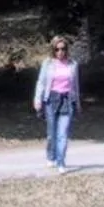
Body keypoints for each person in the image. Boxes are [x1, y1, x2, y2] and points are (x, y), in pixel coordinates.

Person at [32, 35, 81, 171]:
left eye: (63, 49)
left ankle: (61, 162)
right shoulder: (48, 64)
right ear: (53, 50)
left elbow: (75, 85)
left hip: (67, 100)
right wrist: (37, 100)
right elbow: (41, 83)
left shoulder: (73, 64)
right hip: (51, 99)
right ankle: (50, 156)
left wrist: (78, 103)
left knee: (63, 133)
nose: (60, 52)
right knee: (51, 134)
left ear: (67, 50)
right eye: (57, 49)